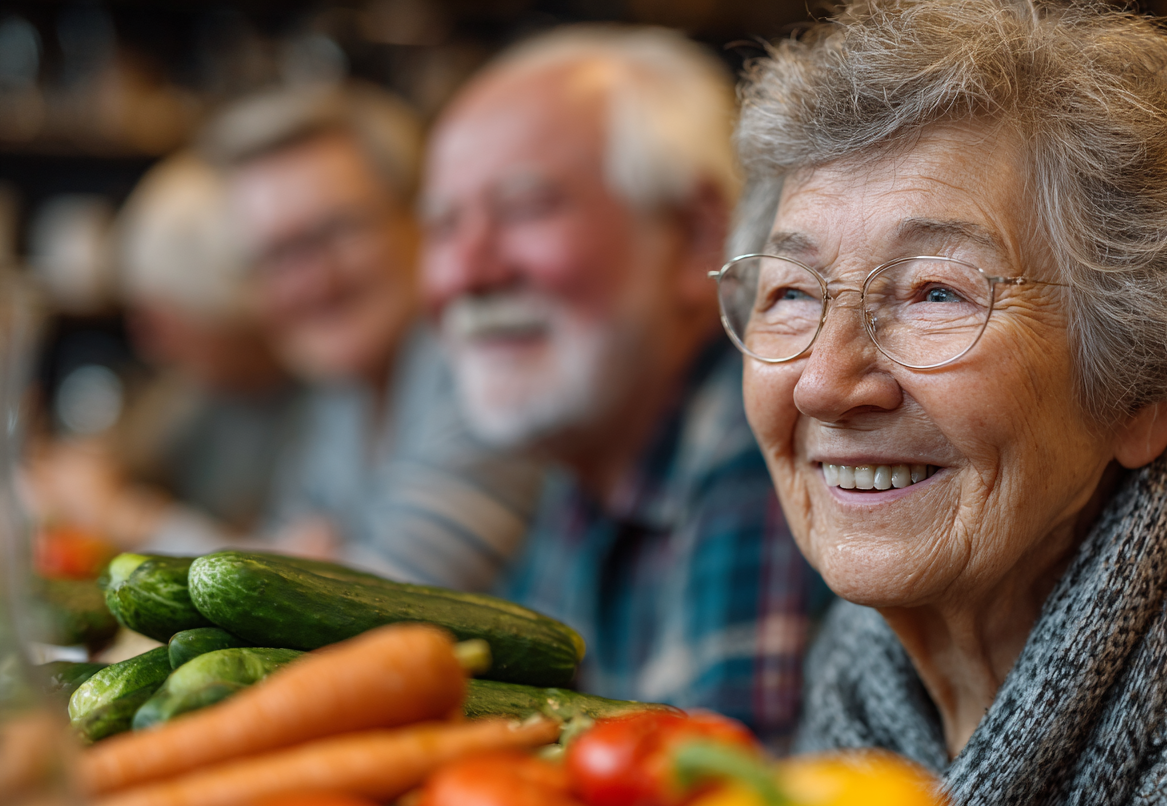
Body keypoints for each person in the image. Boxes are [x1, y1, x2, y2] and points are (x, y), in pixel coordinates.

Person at [728, 0, 1167, 806]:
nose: (825, 381)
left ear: (1143, 388)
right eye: (790, 292)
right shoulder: (862, 672)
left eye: (935, 292)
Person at [420, 26, 832, 743]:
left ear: (698, 237)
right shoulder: (591, 462)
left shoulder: (754, 438)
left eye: (526, 207)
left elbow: (718, 803)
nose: (465, 272)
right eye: (443, 226)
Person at [201, 83, 540, 588]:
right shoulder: (343, 395)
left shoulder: (482, 357)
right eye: (274, 257)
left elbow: (397, 597)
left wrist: (312, 575)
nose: (312, 282)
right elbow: (284, 567)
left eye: (333, 233)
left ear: (422, 217)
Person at [25, 152, 296, 555]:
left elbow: (289, 576)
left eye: (159, 317)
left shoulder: (324, 399)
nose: (146, 342)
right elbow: (115, 463)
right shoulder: (198, 390)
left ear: (220, 310)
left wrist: (131, 517)